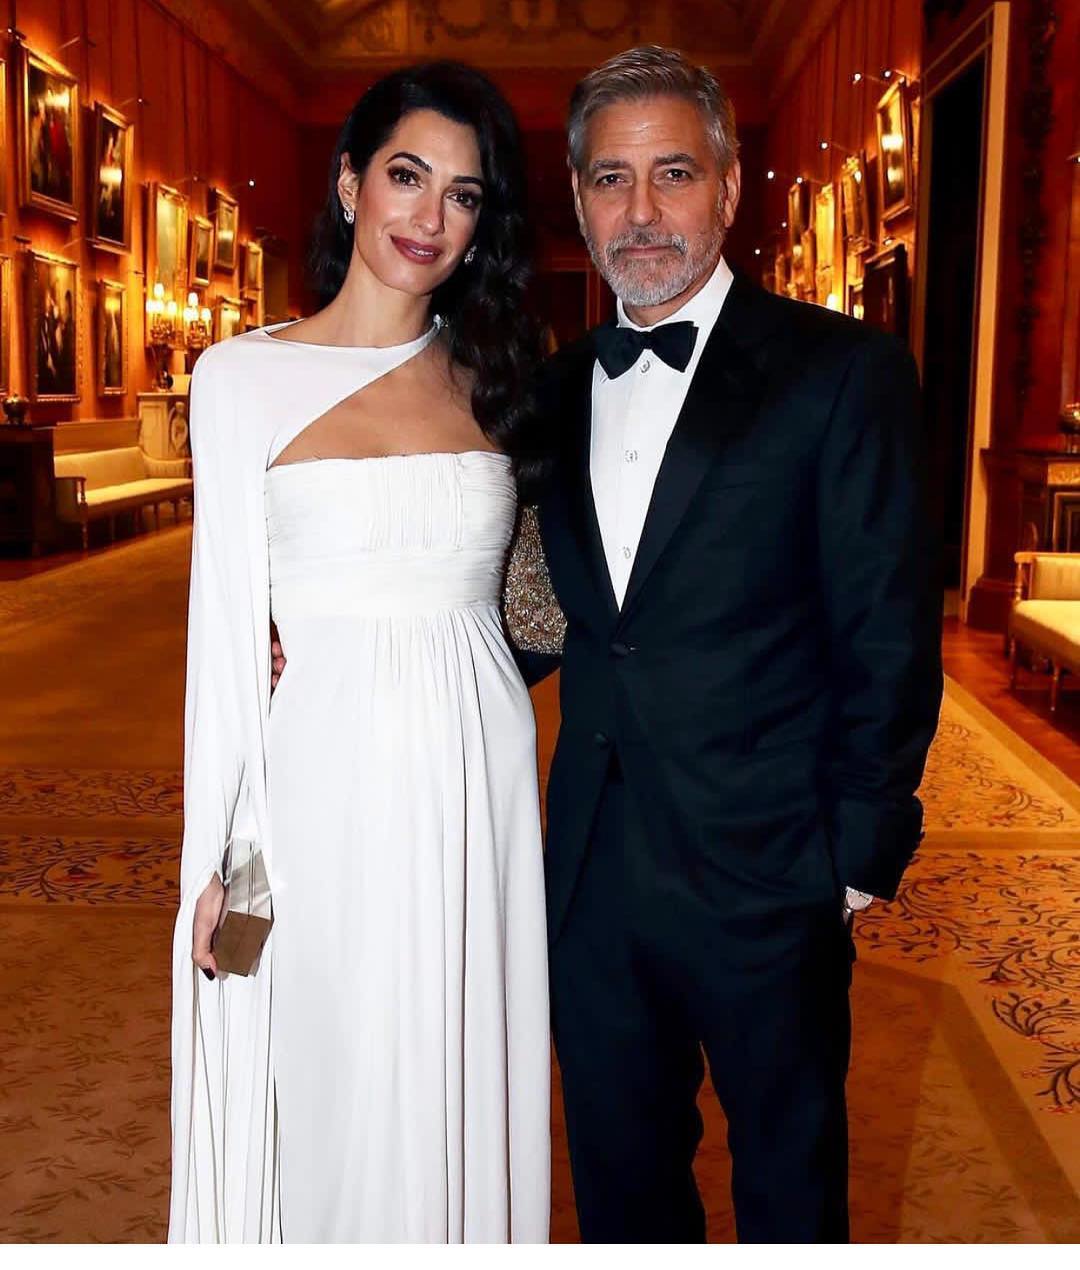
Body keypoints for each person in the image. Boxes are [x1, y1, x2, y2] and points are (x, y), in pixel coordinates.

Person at [526, 46, 942, 1242]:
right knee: (620, 1180)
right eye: (611, 179)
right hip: (594, 867)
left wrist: (856, 854)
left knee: (790, 1183)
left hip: (772, 864)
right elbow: (536, 609)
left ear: (730, 185)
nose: (641, 213)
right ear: (578, 198)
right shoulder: (549, 389)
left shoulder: (841, 372)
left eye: (673, 173)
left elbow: (888, 626)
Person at [170, 61, 550, 1244]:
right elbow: (224, 649)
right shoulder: (239, 379)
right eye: (406, 175)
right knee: (329, 1068)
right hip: (321, 789)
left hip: (480, 785)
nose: (430, 216)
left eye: (464, 194)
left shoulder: (499, 380)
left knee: (456, 1066)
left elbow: (548, 601)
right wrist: (223, 860)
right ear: (349, 183)